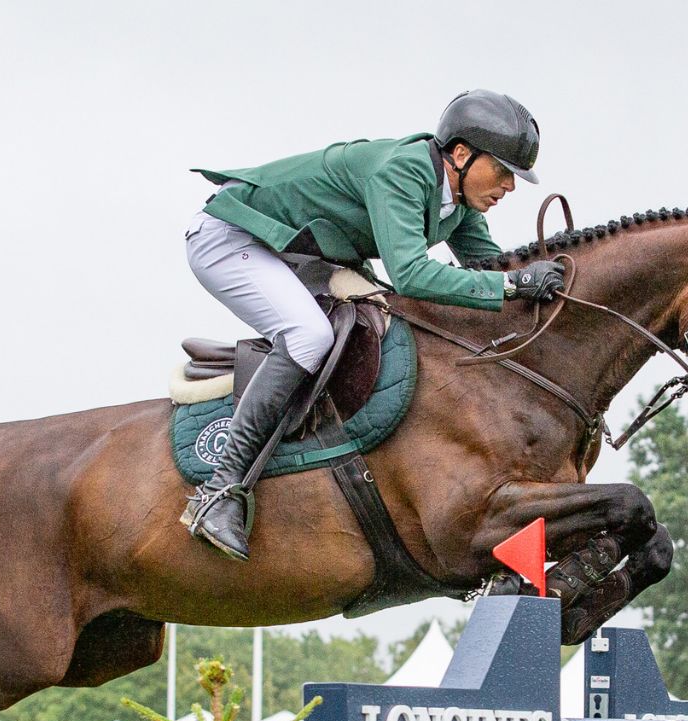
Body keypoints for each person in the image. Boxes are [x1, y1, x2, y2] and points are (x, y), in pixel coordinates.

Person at [181, 90, 567, 561]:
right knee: (310, 335)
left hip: (291, 250)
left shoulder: (460, 203)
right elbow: (411, 275)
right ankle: (218, 491)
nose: (509, 186)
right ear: (462, 155)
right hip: (230, 238)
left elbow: (488, 268)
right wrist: (513, 285)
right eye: (504, 171)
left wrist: (538, 280)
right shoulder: (402, 171)